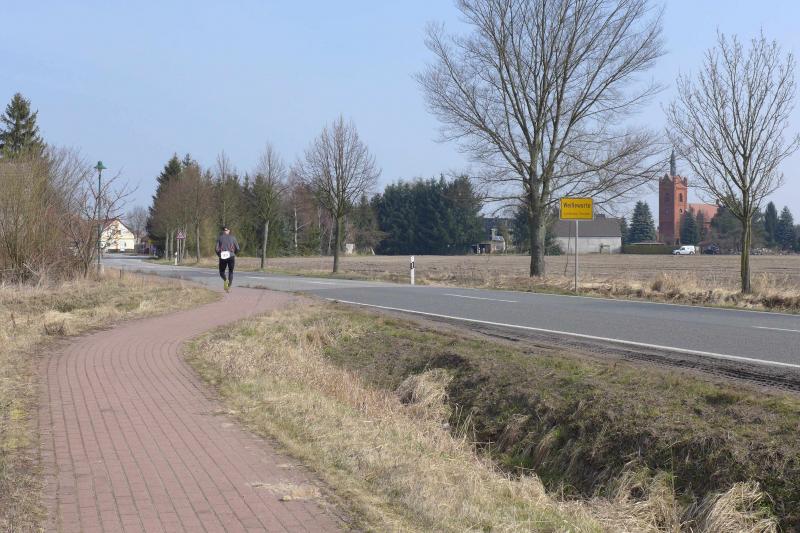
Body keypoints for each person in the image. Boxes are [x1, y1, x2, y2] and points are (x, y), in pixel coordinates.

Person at [215, 226, 240, 292]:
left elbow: (216, 249)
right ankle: (228, 286)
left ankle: (226, 280)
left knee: (221, 272)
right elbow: (237, 248)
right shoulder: (233, 238)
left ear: (223, 231)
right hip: (231, 256)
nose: (225, 231)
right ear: (229, 231)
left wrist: (219, 255)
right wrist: (234, 254)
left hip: (223, 256)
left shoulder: (219, 238)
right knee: (231, 272)